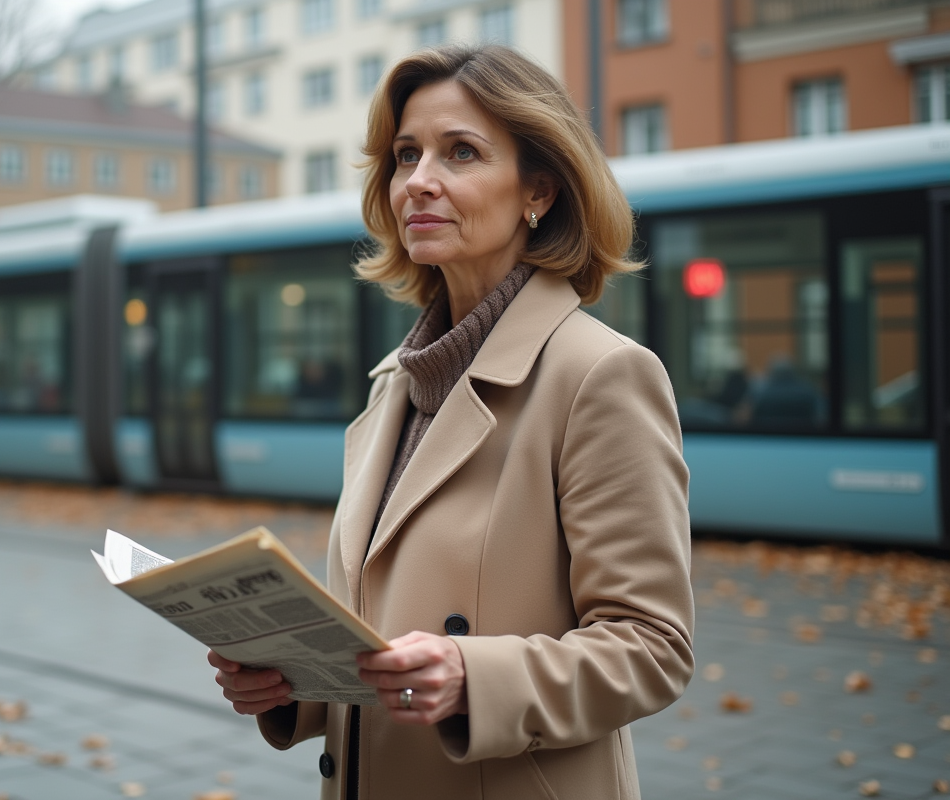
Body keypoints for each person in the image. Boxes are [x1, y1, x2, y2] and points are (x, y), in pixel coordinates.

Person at [208, 44, 693, 800]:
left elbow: (653, 647)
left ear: (540, 189)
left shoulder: (599, 375)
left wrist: (476, 678)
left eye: (460, 152)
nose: (418, 182)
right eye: (406, 155)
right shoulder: (396, 383)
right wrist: (294, 684)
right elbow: (381, 629)